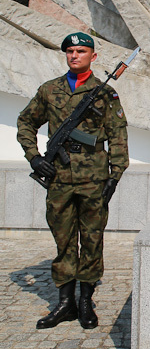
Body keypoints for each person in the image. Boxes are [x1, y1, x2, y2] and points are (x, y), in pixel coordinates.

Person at [17, 32, 129, 330]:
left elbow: (118, 136)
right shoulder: (49, 90)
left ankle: (84, 302)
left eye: (81, 50)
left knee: (92, 239)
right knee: (64, 239)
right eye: (69, 51)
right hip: (59, 179)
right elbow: (26, 122)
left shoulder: (105, 93)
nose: (74, 55)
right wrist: (34, 157)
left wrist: (115, 176)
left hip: (94, 179)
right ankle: (65, 303)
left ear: (94, 56)